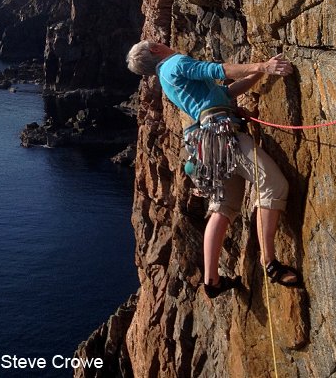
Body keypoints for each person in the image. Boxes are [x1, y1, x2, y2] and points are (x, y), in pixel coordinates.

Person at [126, 41, 302, 298]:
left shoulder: (166, 79)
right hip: (223, 135)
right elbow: (216, 70)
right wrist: (263, 66)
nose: (163, 43)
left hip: (207, 144)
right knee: (273, 185)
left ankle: (212, 280)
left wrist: (260, 73)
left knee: (224, 207)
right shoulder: (175, 63)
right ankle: (269, 261)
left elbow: (226, 93)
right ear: (154, 50)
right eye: (157, 43)